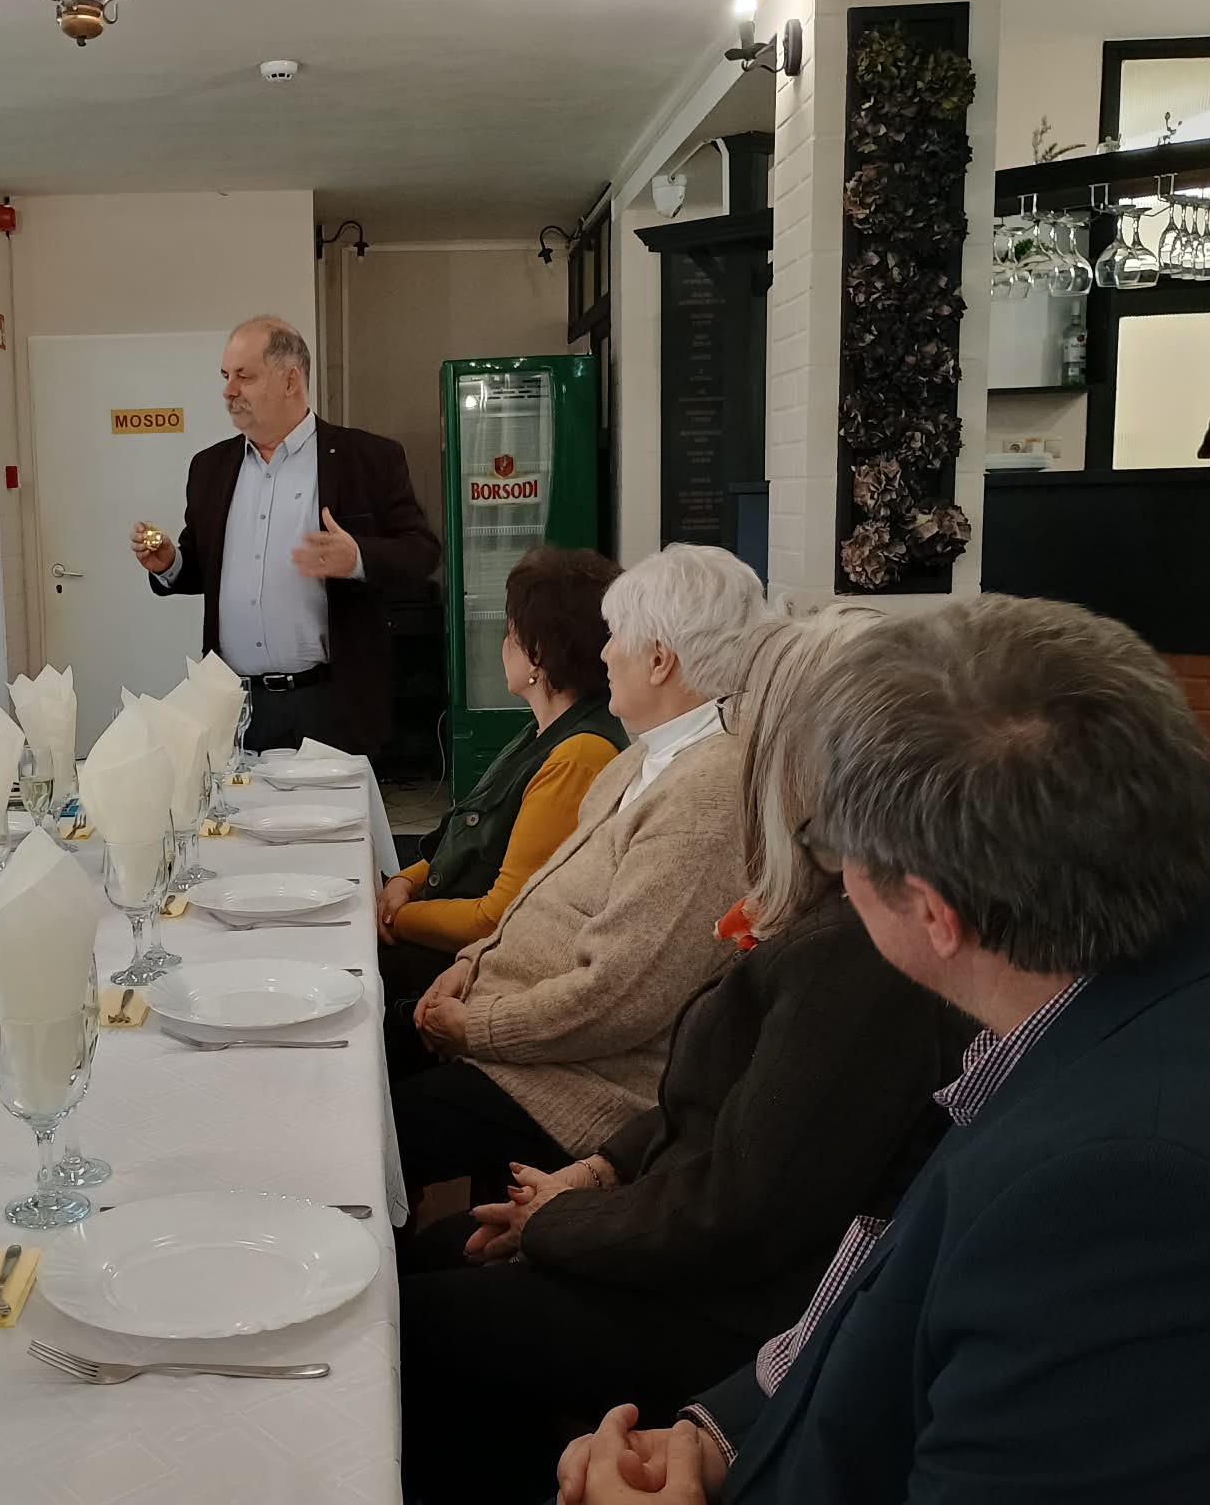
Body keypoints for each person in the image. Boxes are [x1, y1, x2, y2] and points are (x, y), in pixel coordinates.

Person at [556, 596, 1210, 1505]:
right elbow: (884, 1295)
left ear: (931, 911)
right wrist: (718, 1437)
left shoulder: (1124, 1191)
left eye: (827, 843)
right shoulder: (1171, 994)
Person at [396, 609, 974, 1502]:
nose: (735, 745)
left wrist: (557, 1225)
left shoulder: (862, 950)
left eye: (750, 719)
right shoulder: (832, 894)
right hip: (688, 1232)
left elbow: (740, 1215)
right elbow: (712, 1102)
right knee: (435, 1256)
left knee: (410, 1323)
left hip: (728, 1309)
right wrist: (593, 1172)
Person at [389, 544, 765, 1207]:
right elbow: (542, 895)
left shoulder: (705, 794)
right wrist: (473, 962)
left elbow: (622, 997)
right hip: (522, 1030)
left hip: (574, 1084)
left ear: (659, 660)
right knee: (356, 1052)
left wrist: (476, 1026)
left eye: (616, 636)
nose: (604, 654)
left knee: (366, 1130)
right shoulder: (645, 757)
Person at [129, 315, 439, 753]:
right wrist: (170, 564)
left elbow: (422, 553)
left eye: (244, 376)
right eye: (225, 376)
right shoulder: (209, 468)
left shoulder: (367, 458)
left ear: (291, 380)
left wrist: (358, 557)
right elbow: (200, 564)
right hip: (234, 703)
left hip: (331, 701)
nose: (229, 391)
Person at [378, 547, 626, 1047]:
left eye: (511, 633)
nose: (502, 645)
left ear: (538, 654)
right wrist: (407, 879)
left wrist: (393, 918)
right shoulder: (545, 730)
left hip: (475, 965)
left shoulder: (577, 755)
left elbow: (499, 917)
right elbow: (471, 836)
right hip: (452, 930)